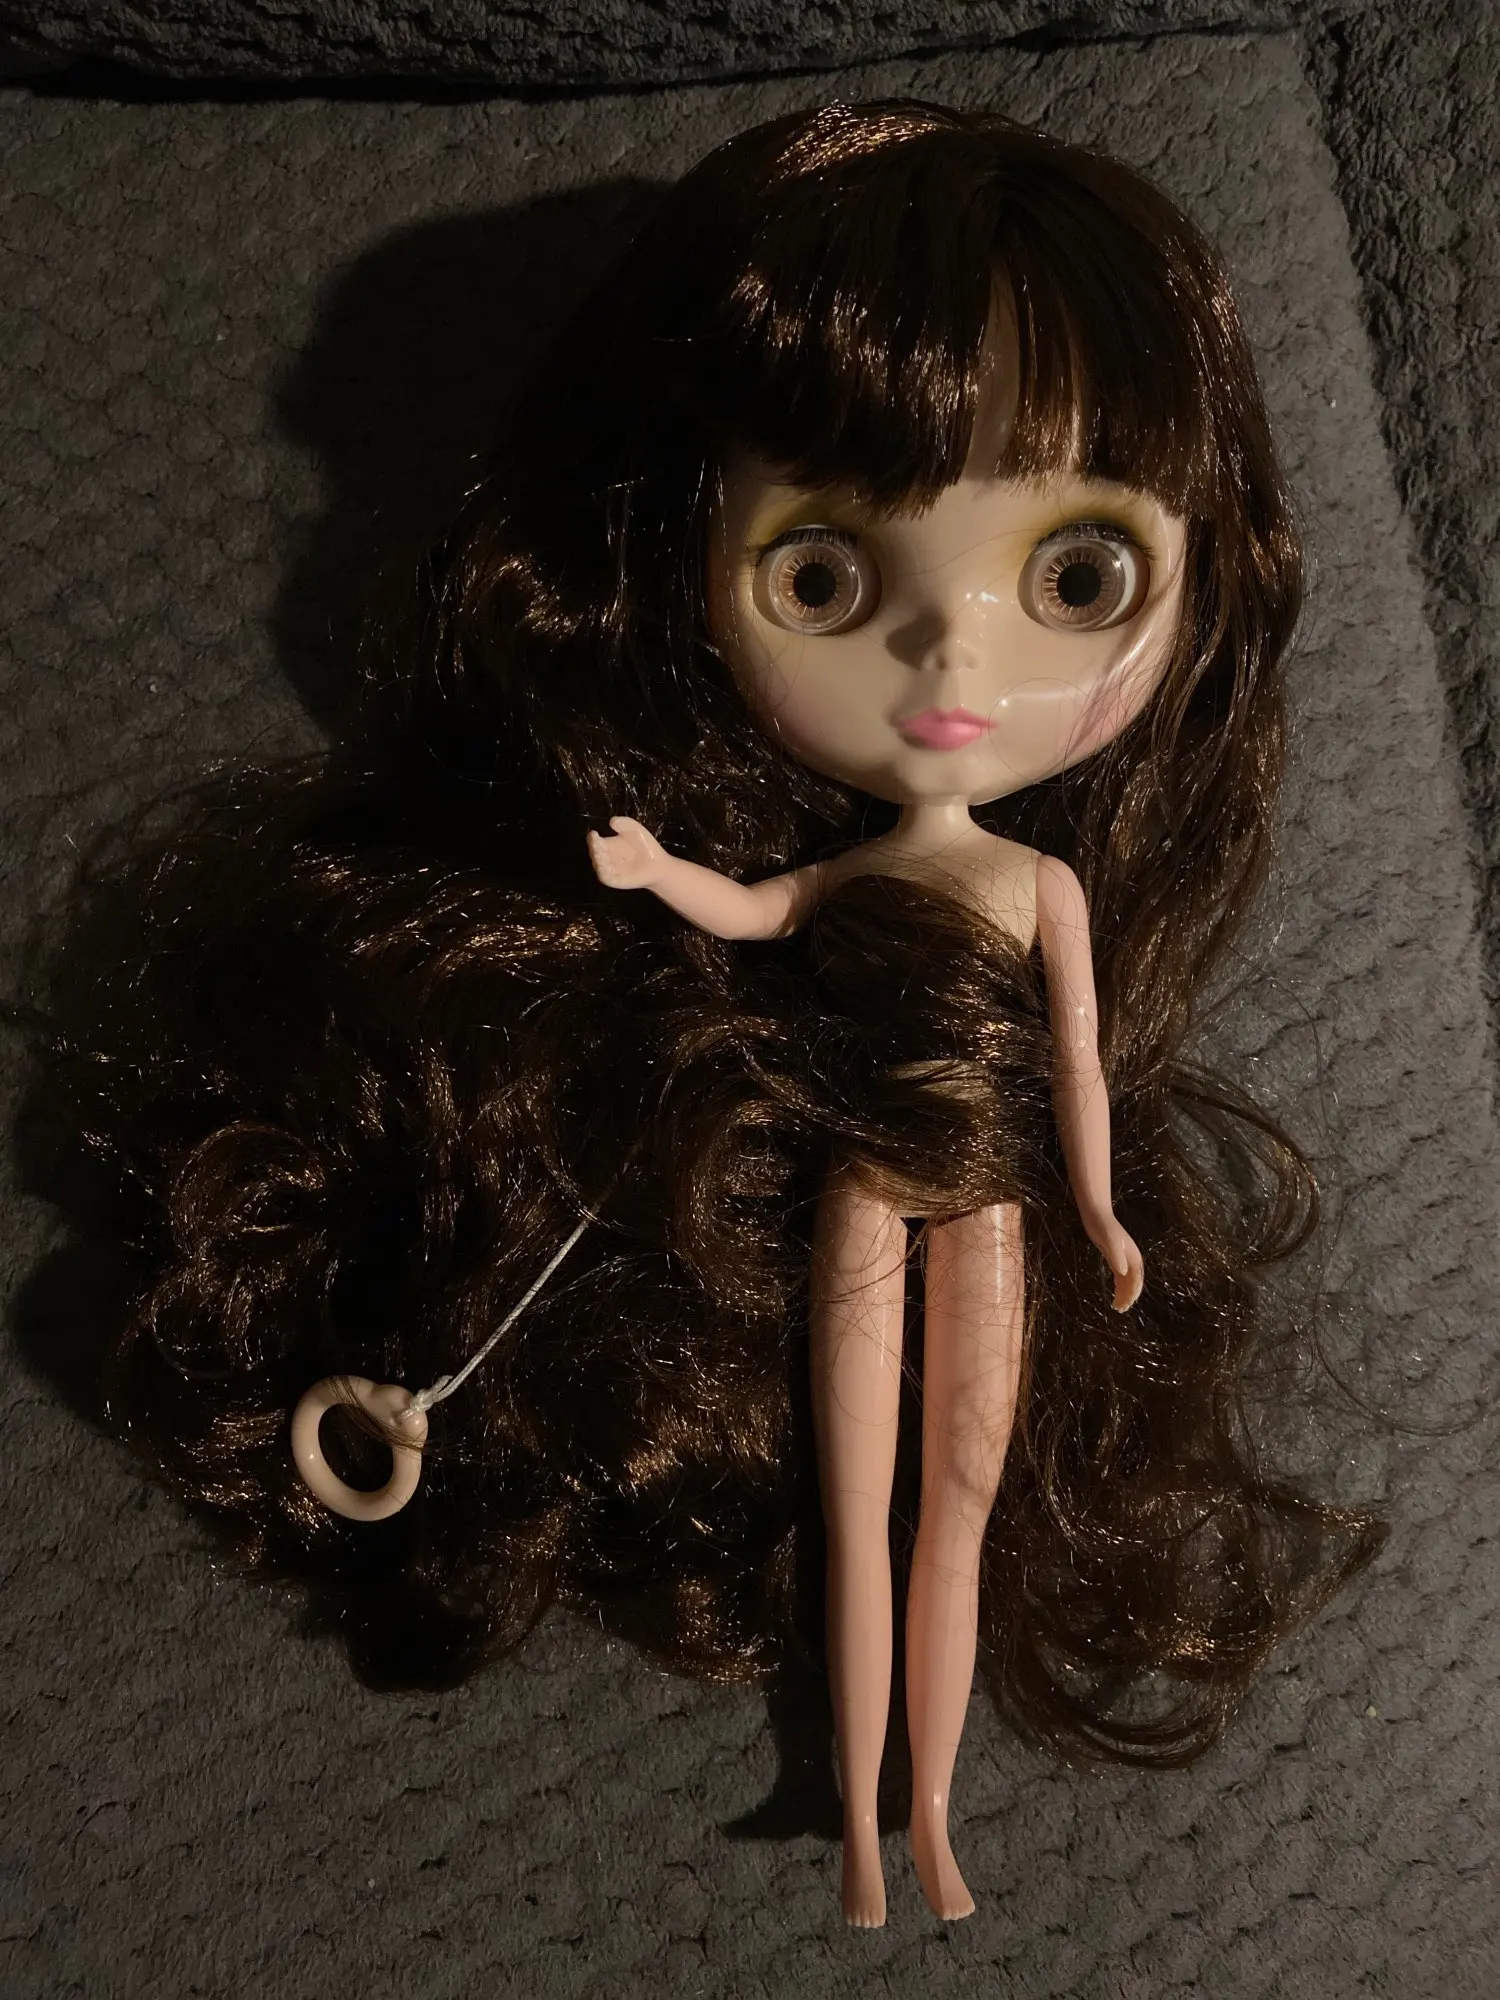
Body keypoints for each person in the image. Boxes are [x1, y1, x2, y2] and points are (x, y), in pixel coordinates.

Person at [38, 98, 1386, 1927]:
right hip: (864, 1202)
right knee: (863, 1504)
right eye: (822, 577)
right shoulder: (879, 879)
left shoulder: (1043, 887)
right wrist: (655, 873)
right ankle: (868, 1830)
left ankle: (927, 1813)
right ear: (672, 569)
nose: (952, 661)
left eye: (1077, 577)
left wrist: (1101, 1212)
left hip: (984, 1204)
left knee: (957, 1495)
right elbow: (760, 913)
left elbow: (1073, 1058)